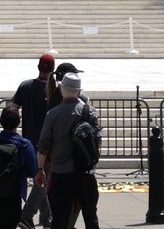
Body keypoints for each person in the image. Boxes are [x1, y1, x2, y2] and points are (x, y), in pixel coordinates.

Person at [35, 70, 99, 229]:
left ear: (62, 89)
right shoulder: (90, 112)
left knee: (59, 219)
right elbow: (97, 142)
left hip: (62, 174)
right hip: (86, 173)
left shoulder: (53, 114)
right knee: (91, 218)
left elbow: (43, 147)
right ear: (79, 91)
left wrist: (40, 169)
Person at [11, 54, 61, 229]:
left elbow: (13, 109)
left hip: (28, 142)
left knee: (40, 180)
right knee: (42, 182)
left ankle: (47, 218)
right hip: (47, 144)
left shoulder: (25, 86)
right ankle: (26, 215)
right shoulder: (55, 91)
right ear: (53, 69)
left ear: (38, 67)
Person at [0, 103, 37, 229]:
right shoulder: (24, 144)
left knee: (4, 224)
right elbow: (33, 171)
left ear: (1, 122)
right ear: (18, 122)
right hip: (13, 192)